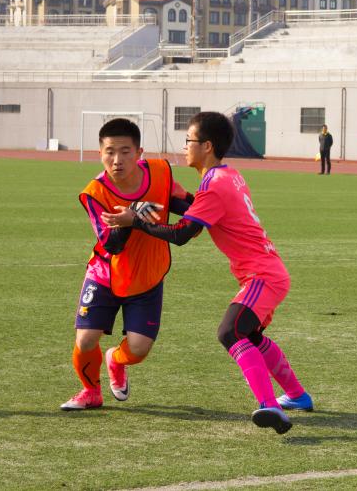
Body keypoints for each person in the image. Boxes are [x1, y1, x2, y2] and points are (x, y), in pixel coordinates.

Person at [114, 111, 311, 434]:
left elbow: (182, 234)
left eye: (188, 140)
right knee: (251, 335)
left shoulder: (215, 186)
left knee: (230, 332)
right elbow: (198, 209)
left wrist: (136, 222)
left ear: (206, 146)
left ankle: (270, 406)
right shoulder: (226, 175)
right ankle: (297, 396)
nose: (184, 146)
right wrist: (168, 198)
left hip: (263, 275)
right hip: (267, 271)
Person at [59, 118, 193, 411]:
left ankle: (115, 360)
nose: (116, 160)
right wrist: (132, 218)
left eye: (125, 151)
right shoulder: (94, 193)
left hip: (147, 273)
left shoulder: (160, 172)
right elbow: (111, 244)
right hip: (105, 272)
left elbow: (186, 205)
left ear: (139, 152)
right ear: (100, 153)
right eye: (109, 152)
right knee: (85, 340)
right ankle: (90, 391)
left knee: (138, 349)